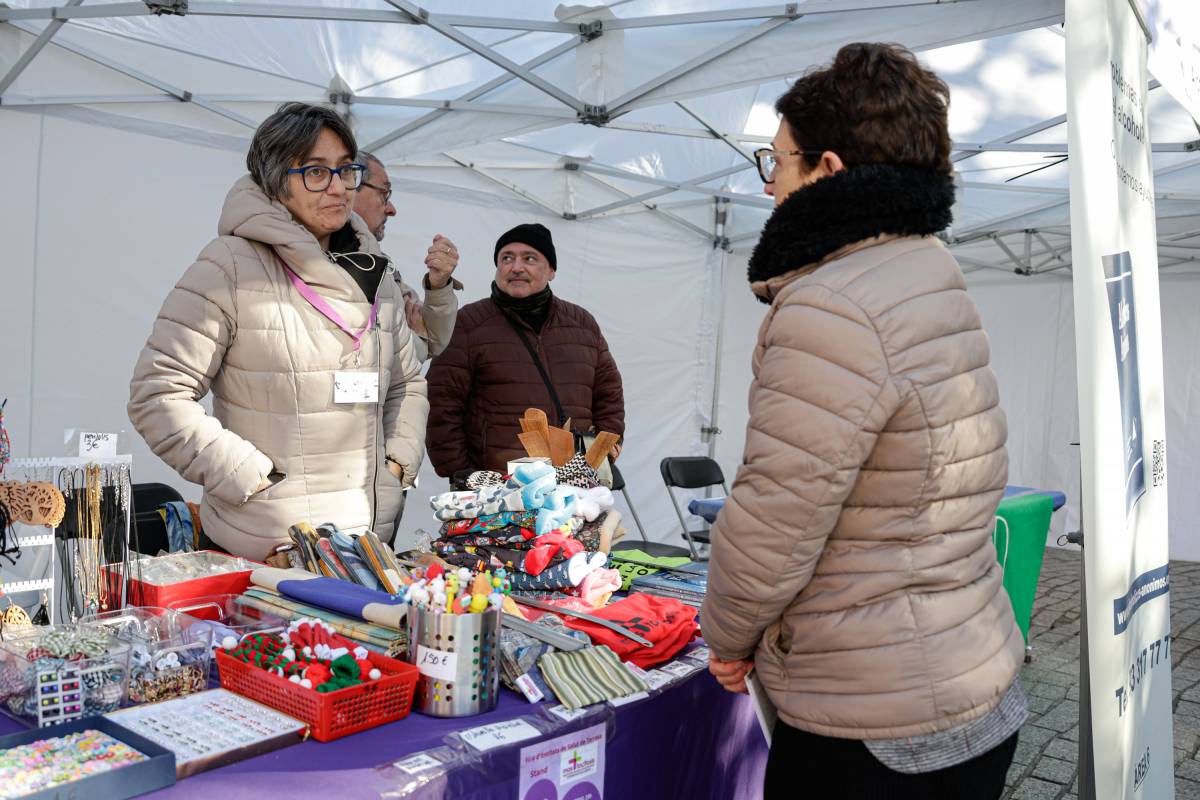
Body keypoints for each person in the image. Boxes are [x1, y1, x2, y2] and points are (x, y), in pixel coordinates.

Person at [701, 43, 1025, 799]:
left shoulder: (833, 302)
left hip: (876, 721)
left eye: (776, 162)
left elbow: (776, 518)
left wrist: (728, 636)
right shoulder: (928, 267)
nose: (770, 184)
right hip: (972, 670)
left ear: (831, 171)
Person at [129, 102, 428, 560]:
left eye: (345, 171)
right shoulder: (229, 266)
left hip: (365, 545)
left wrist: (397, 463)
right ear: (275, 178)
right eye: (315, 172)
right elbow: (158, 396)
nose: (336, 188)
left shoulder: (377, 273)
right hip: (267, 547)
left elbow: (408, 383)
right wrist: (251, 477)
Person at [425, 223, 624, 483]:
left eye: (529, 258)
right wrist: (464, 472)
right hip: (498, 490)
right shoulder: (468, 323)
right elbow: (441, 403)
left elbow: (609, 395)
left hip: (575, 486)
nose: (516, 267)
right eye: (507, 258)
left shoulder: (582, 324)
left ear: (551, 270)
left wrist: (603, 452)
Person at [352, 151, 463, 363]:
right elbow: (367, 362)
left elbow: (434, 339)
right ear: (349, 184)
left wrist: (438, 286)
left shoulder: (380, 262)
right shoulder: (322, 259)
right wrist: (416, 341)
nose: (392, 210)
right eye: (384, 193)